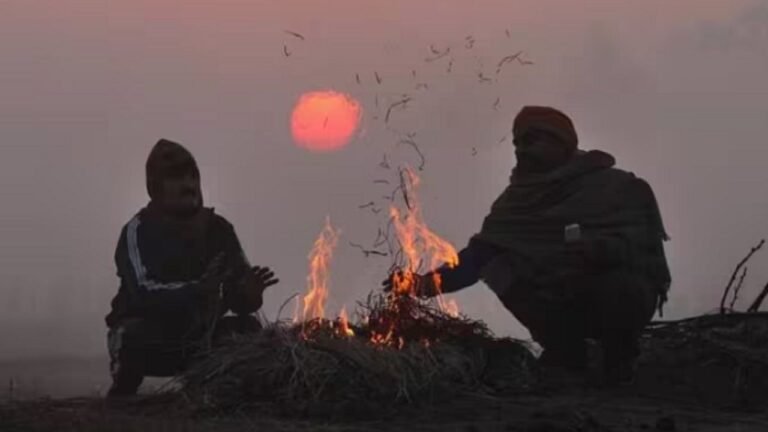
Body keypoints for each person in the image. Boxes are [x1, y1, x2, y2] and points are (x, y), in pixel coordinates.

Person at [386, 106, 671, 384]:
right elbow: (477, 257)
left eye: (532, 140)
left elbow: (644, 248)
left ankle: (619, 356)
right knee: (495, 265)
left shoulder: (617, 186)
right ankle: (565, 350)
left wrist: (597, 250)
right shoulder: (517, 200)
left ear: (562, 142)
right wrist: (423, 284)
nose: (522, 150)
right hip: (557, 298)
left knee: (620, 285)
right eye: (518, 143)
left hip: (616, 293)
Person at [105, 138, 279, 397]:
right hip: (154, 338)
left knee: (250, 330)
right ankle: (123, 389)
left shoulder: (218, 229)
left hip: (201, 339)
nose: (188, 185)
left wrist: (249, 295)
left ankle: (217, 391)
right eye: (176, 178)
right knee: (131, 336)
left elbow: (238, 296)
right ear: (155, 187)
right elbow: (143, 291)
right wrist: (197, 289)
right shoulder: (138, 230)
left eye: (192, 176)